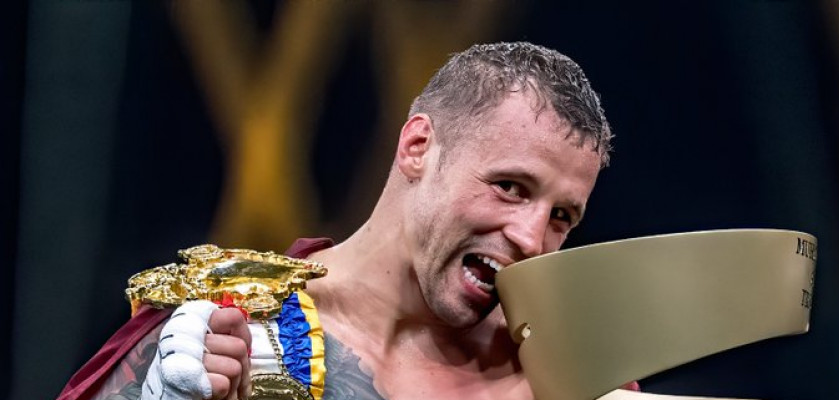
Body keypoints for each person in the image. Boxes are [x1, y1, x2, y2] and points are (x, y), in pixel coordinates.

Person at [60, 41, 621, 400]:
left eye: (562, 216)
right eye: (509, 187)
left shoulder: (563, 378)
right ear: (419, 148)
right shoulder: (230, 330)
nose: (531, 238)